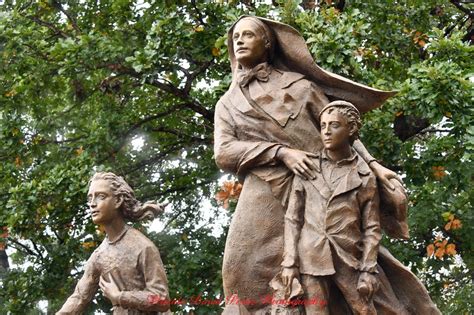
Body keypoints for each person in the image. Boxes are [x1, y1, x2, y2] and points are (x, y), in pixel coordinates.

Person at [214, 16, 436, 314]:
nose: (239, 40)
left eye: (248, 35)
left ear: (267, 44)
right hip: (266, 186)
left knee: (351, 268)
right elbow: (224, 152)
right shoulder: (228, 104)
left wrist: (373, 165)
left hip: (324, 183)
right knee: (240, 269)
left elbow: (343, 127)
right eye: (236, 36)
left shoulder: (301, 86)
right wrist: (279, 152)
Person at [56, 172, 170, 315]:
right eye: (90, 198)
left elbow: (162, 299)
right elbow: (79, 297)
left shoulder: (142, 246)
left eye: (100, 196)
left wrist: (119, 297)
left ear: (118, 200)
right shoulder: (99, 255)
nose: (92, 204)